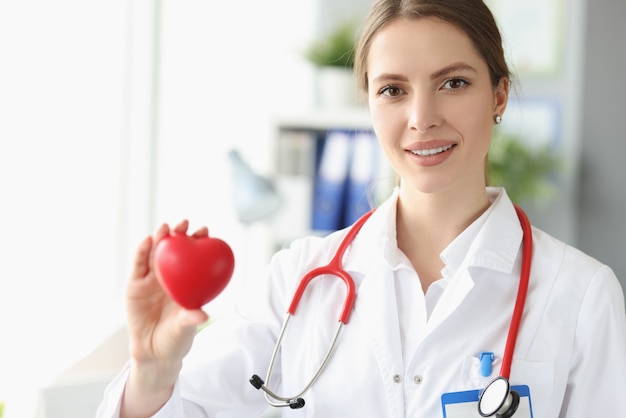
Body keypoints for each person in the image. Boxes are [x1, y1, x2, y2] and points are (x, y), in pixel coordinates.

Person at [97, 0, 626, 416]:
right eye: (393, 90)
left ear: (499, 96)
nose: (422, 117)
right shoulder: (300, 280)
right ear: (369, 105)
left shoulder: (581, 297)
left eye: (454, 83)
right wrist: (152, 370)